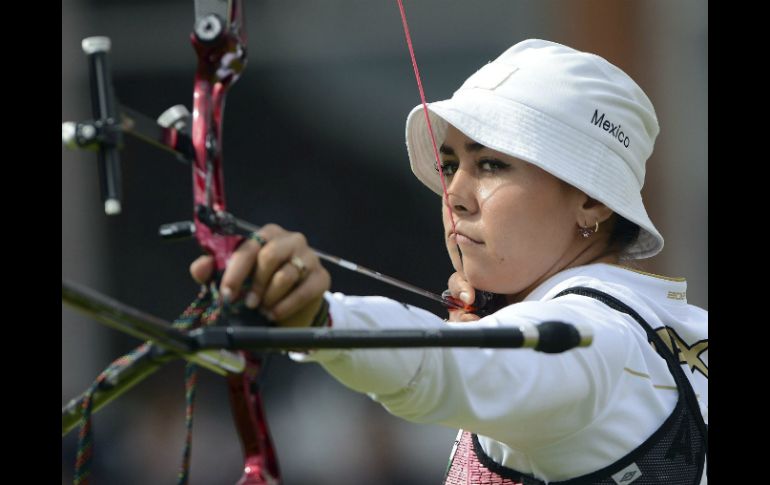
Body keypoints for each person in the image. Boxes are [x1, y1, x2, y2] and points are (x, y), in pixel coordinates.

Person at [190, 39, 707, 484]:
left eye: (491, 164)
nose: (453, 193)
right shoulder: (669, 331)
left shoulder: (589, 339)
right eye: (451, 164)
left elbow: (442, 366)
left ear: (590, 200)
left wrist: (321, 316)